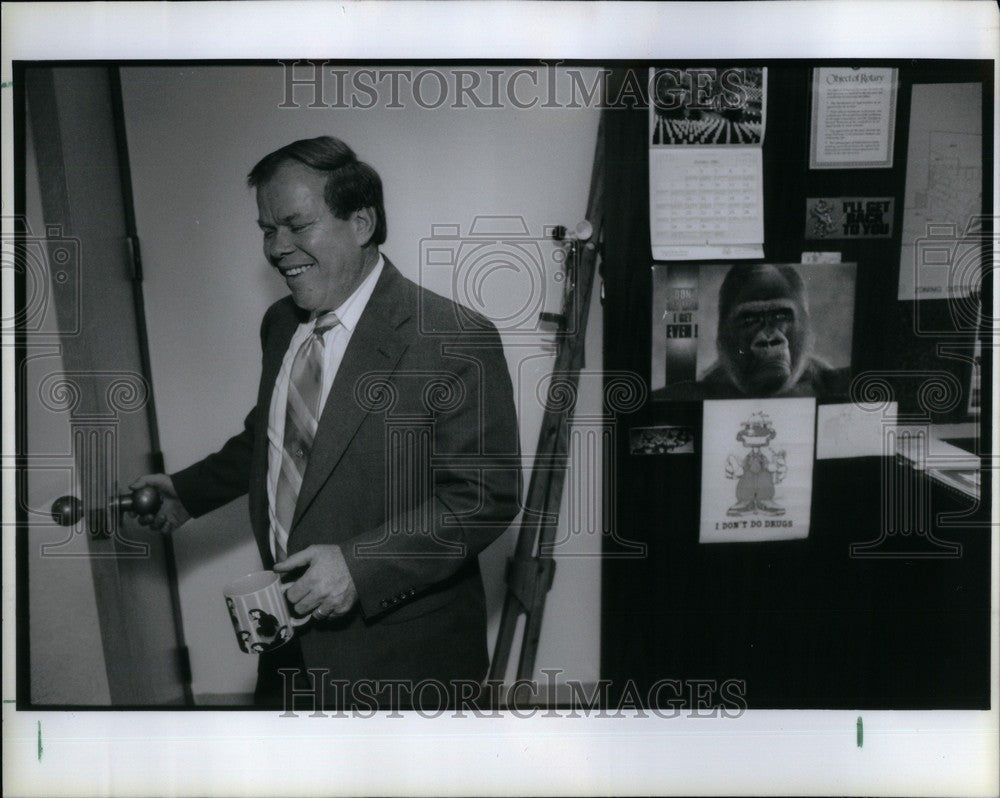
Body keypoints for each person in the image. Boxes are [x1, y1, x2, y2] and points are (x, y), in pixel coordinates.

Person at [133, 136, 520, 708]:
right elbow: (277, 437)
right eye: (267, 229)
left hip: (404, 661)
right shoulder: (280, 324)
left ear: (360, 222)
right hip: (286, 644)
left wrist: (358, 569)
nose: (277, 248)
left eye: (296, 225)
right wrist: (187, 491)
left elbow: (484, 495)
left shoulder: (453, 338)